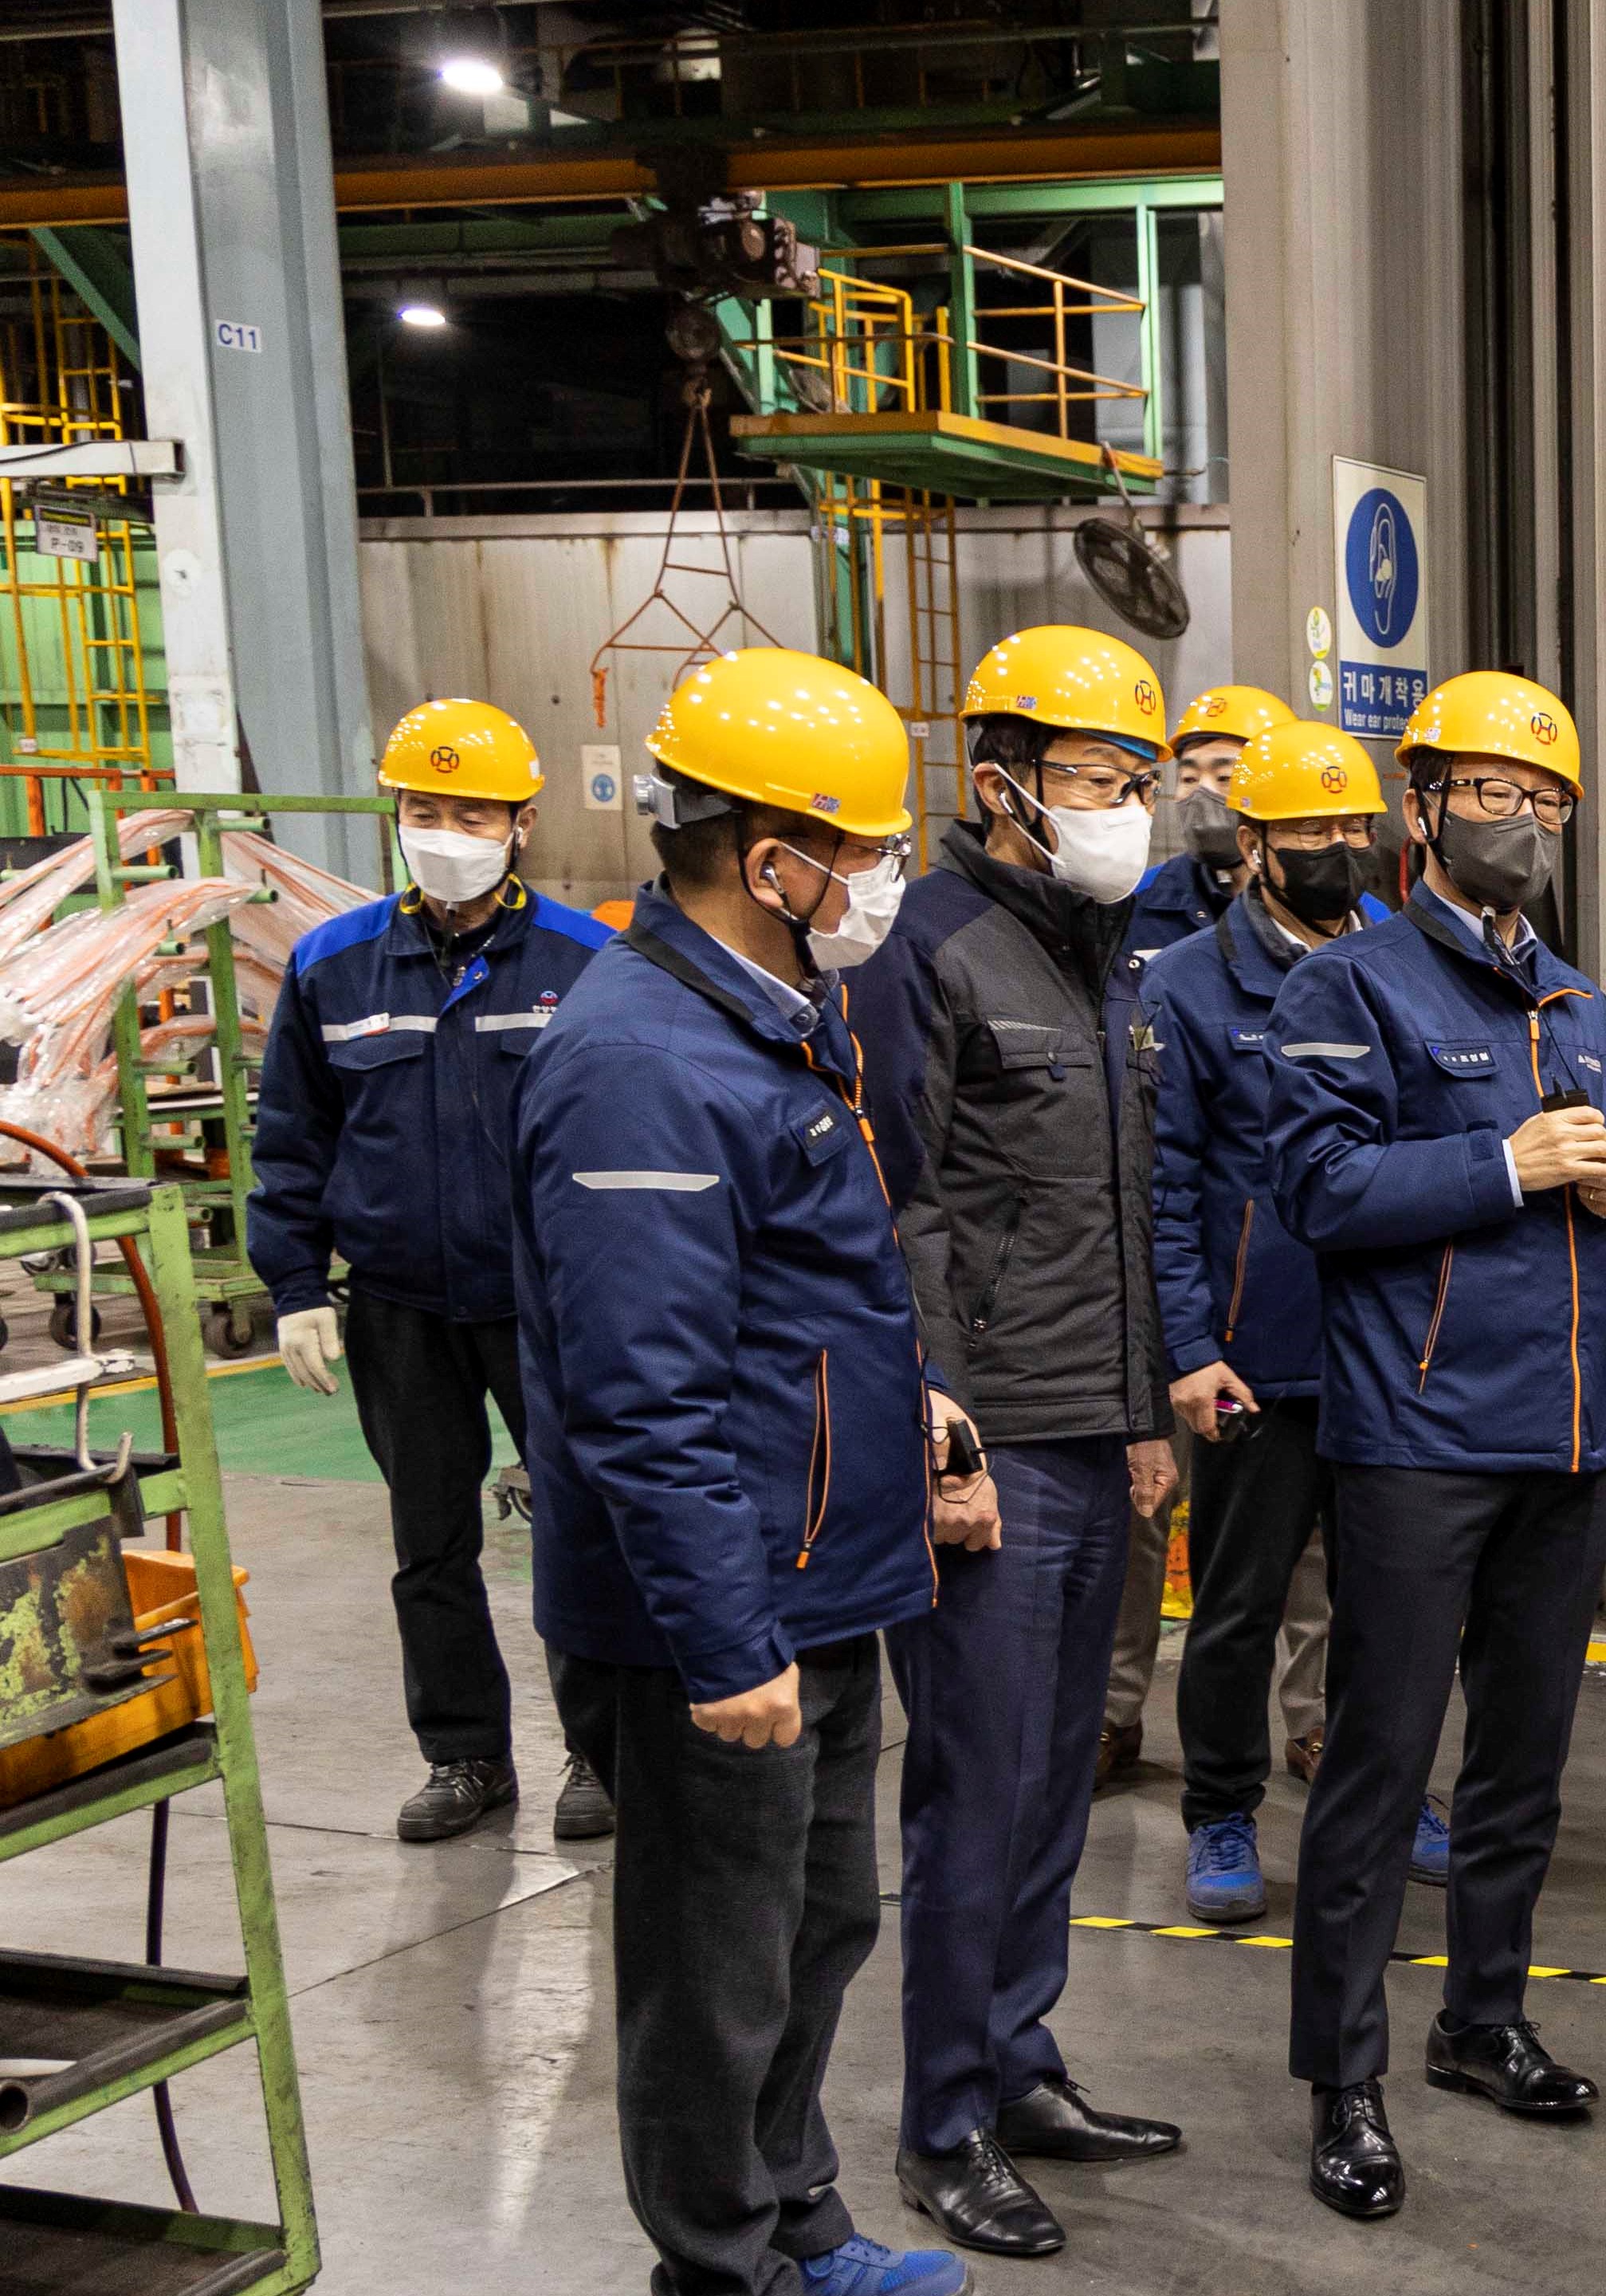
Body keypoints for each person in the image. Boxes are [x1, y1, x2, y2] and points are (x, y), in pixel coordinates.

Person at [520, 647, 976, 2296]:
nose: (882, 882)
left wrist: (909, 1413)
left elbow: (799, 1300)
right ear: (772, 861)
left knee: (814, 1930)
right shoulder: (643, 1061)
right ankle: (723, 2273)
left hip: (817, 1575)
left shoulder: (771, 1019)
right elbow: (643, 1398)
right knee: (713, 1976)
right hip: (714, 1619)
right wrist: (725, 1646)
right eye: (865, 852)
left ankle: (798, 2226)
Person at [1265, 668, 1606, 2225]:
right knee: (1380, 1768)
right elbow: (1317, 1191)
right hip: (1419, 1439)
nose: (1524, 821)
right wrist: (1500, 1164)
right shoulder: (1350, 988)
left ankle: (1482, 2022)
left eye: (1547, 799)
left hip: (1563, 1441)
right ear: (1421, 806)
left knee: (1522, 1763)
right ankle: (1343, 2080)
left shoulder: (1577, 998)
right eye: (1495, 792)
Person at [847, 623, 1187, 2260]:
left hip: (1091, 1434)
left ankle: (1019, 2060)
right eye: (1096, 778)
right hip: (991, 1445)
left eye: (1139, 780)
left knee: (1056, 1783)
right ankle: (943, 2124)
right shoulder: (927, 947)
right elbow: (897, 1206)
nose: (1126, 808)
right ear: (1000, 783)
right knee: (975, 1792)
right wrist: (940, 1431)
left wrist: (1142, 1417)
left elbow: (1121, 1210)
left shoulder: (1105, 954)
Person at [250, 698, 616, 1846]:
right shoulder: (333, 965)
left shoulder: (587, 961)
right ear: (395, 817)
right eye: (424, 810)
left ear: (520, 825)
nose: (445, 833)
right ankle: (465, 1756)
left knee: (583, 1525)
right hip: (401, 1305)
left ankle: (602, 1753)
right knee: (429, 1544)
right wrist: (296, 1288)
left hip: (549, 1304)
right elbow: (293, 1140)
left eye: (473, 814)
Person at [1140, 719, 1444, 1924]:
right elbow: (1166, 1191)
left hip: (1394, 1351)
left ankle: (1387, 1793)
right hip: (1256, 1358)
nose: (1335, 847)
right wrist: (1190, 1349)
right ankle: (1220, 1809)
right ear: (1254, 844)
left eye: (1351, 826)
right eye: (1308, 829)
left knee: (1392, 1608)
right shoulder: (1187, 984)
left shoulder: (1407, 966)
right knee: (1237, 1605)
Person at [1098, 683, 1303, 1787]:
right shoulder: (1138, 915)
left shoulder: (1357, 937)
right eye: (1192, 773)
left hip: (1284, 1307)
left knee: (1304, 1550)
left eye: (1230, 771)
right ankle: (1113, 1711)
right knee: (1146, 1501)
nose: (1206, 793)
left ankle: (1313, 1722)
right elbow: (1159, 1159)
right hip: (1167, 1284)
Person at [1123, 682, 1291, 971]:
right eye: (1188, 778)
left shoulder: (1344, 912)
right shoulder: (1138, 902)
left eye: (1225, 777)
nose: (1202, 792)